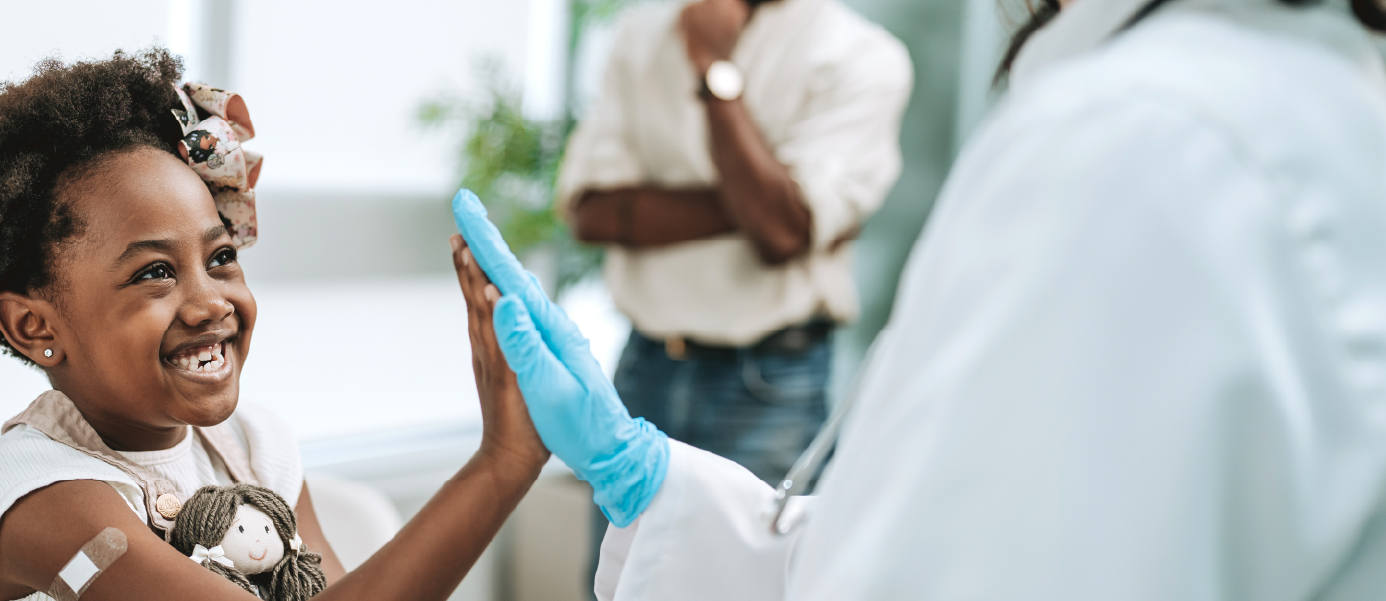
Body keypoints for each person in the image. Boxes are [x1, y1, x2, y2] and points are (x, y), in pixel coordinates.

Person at [458, 0, 1386, 597]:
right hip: (656, 361)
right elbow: (601, 207)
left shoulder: (1144, 139)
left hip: (767, 369)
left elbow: (781, 226)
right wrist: (657, 485)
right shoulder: (1253, 105)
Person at [0, 50, 548, 601]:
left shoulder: (251, 444)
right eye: (154, 271)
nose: (210, 301)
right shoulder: (47, 502)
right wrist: (504, 461)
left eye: (220, 257)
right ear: (33, 323)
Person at [555, 0, 911, 486]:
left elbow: (779, 234)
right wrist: (766, 205)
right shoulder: (641, 36)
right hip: (643, 369)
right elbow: (592, 213)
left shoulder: (862, 56)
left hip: (769, 384)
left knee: (753, 563)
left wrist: (712, 66)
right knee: (619, 563)